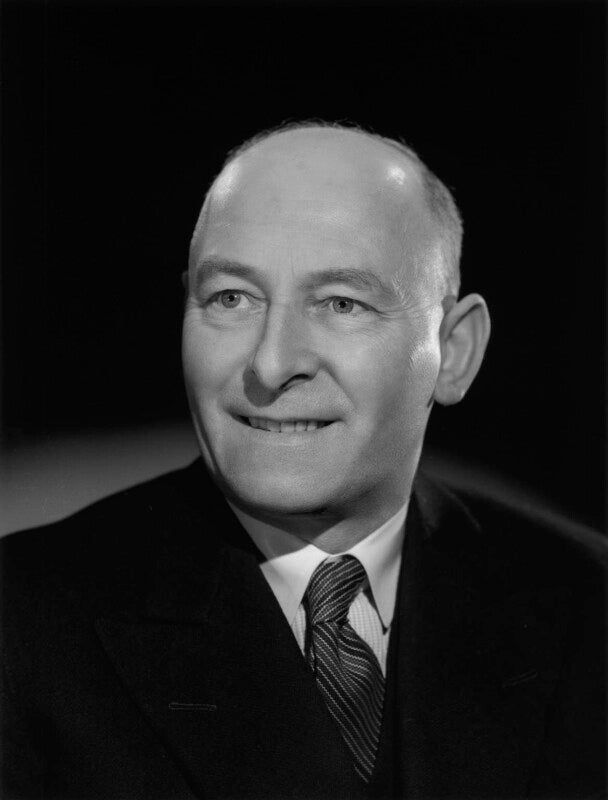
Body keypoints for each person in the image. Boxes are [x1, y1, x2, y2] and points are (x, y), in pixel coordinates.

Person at [1, 122, 605, 799]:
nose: (271, 363)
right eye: (231, 298)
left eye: (342, 304)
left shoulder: (587, 609)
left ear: (454, 352)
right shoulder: (22, 626)